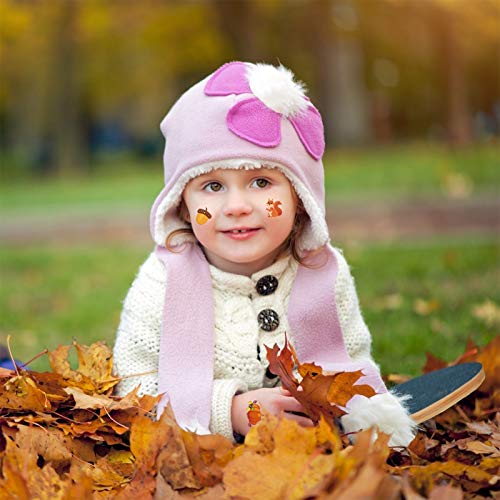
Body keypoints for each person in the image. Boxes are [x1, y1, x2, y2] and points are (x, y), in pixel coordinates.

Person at [113, 61, 416, 446]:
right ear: (183, 206)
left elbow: (351, 361)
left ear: (300, 199)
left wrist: (357, 414)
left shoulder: (322, 274)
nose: (237, 205)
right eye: (212, 185)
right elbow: (134, 385)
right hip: (207, 463)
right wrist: (234, 410)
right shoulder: (162, 282)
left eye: (261, 181)